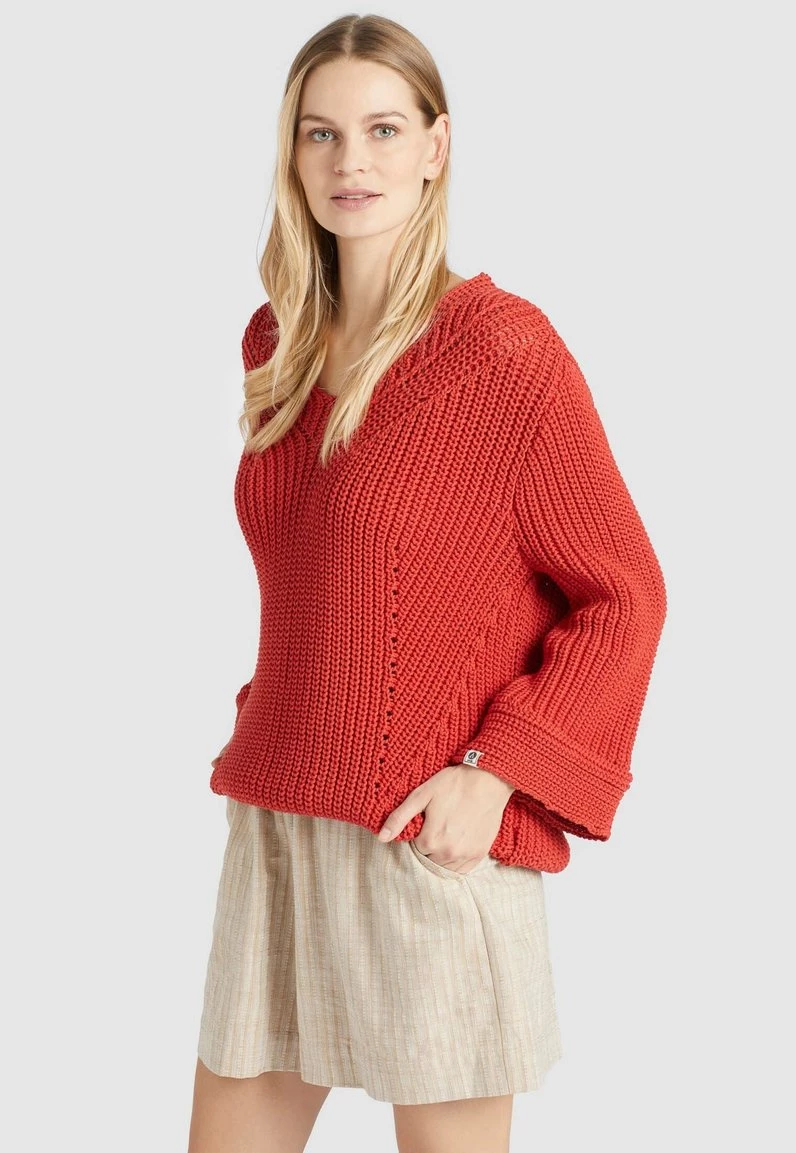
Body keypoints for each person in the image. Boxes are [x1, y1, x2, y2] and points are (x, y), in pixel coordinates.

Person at [187, 14, 668, 1153]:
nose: (350, 161)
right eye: (321, 133)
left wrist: (500, 774)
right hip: (282, 817)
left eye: (383, 130)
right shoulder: (277, 345)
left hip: (422, 835)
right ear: (292, 153)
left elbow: (625, 592)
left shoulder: (501, 351)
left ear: (435, 147)